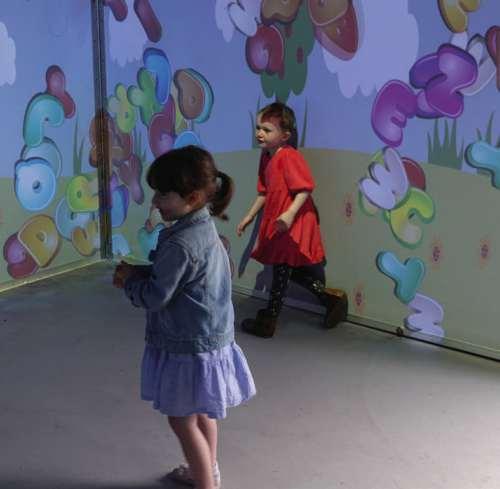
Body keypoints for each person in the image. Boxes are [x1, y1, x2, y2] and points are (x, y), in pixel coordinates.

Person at [113, 145, 256, 489]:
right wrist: (141, 271)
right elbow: (178, 278)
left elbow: (156, 296)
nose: (155, 202)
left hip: (188, 345)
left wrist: (129, 282)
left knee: (181, 420)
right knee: (202, 410)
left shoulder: (180, 243)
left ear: (191, 197)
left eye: (163, 194)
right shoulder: (202, 228)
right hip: (209, 339)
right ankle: (207, 470)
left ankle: (205, 483)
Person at [237, 102, 348, 338]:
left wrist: (289, 214)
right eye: (258, 128)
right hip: (279, 219)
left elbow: (305, 188)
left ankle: (269, 319)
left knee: (281, 268)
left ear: (285, 135)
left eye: (267, 129)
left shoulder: (289, 156)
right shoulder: (266, 157)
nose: (260, 133)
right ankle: (330, 299)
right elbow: (264, 192)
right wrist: (249, 216)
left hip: (293, 221)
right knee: (284, 270)